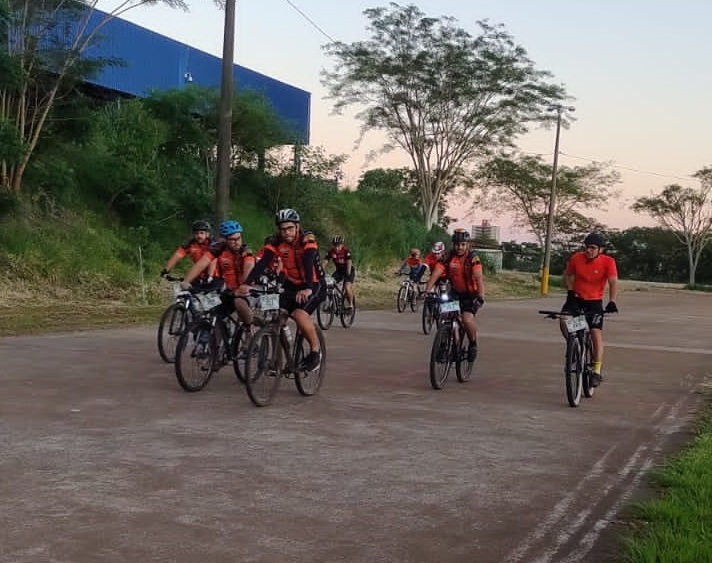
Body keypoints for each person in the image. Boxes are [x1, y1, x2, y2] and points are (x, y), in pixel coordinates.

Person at [238, 208, 325, 372]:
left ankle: (315, 353)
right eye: (283, 229)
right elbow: (264, 262)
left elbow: (308, 262)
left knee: (299, 314)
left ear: (297, 226)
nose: (286, 233)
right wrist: (248, 283)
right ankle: (283, 359)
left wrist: (307, 288)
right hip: (291, 284)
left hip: (314, 283)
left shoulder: (307, 239)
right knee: (277, 316)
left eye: (290, 228)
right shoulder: (276, 241)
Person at [561, 232, 619, 387]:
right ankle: (574, 347)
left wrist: (612, 301)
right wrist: (571, 291)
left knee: (595, 331)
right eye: (587, 247)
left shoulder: (608, 262)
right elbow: (567, 275)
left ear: (601, 250)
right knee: (564, 319)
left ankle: (597, 370)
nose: (588, 250)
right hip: (576, 299)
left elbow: (613, 282)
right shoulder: (576, 258)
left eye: (593, 248)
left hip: (594, 302)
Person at [424, 229, 485, 362]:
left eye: (463, 244)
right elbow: (436, 273)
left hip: (470, 295)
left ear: (467, 245)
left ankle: (473, 344)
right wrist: (427, 291)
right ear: (453, 245)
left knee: (467, 319)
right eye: (457, 244)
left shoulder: (472, 258)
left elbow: (479, 278)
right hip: (455, 293)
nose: (459, 247)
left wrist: (481, 296)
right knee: (445, 316)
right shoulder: (448, 257)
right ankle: (445, 345)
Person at [180, 220, 256, 327]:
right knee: (211, 312)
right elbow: (202, 263)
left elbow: (249, 266)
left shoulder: (245, 250)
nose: (237, 242)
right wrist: (186, 281)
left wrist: (245, 285)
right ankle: (216, 339)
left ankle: (250, 329)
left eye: (238, 238)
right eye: (232, 239)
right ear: (225, 240)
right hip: (229, 291)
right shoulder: (218, 249)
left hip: (247, 290)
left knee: (239, 303)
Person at [324, 234, 355, 309]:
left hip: (349, 271)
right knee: (330, 285)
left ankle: (351, 304)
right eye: (335, 245)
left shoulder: (346, 251)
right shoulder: (331, 251)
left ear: (342, 245)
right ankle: (331, 303)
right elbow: (325, 261)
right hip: (339, 271)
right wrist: (321, 271)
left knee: (347, 287)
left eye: (338, 245)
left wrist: (348, 273)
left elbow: (349, 262)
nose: (336, 247)